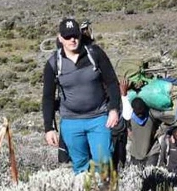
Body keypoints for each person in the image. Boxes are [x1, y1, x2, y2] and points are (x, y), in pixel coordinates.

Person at [42, 17, 121, 174]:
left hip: (99, 118)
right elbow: (48, 97)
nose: (72, 40)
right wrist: (49, 128)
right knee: (80, 166)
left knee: (103, 162)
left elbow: (112, 82)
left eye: (75, 35)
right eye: (67, 37)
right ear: (60, 38)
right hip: (71, 122)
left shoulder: (95, 54)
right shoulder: (53, 64)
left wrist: (114, 109)